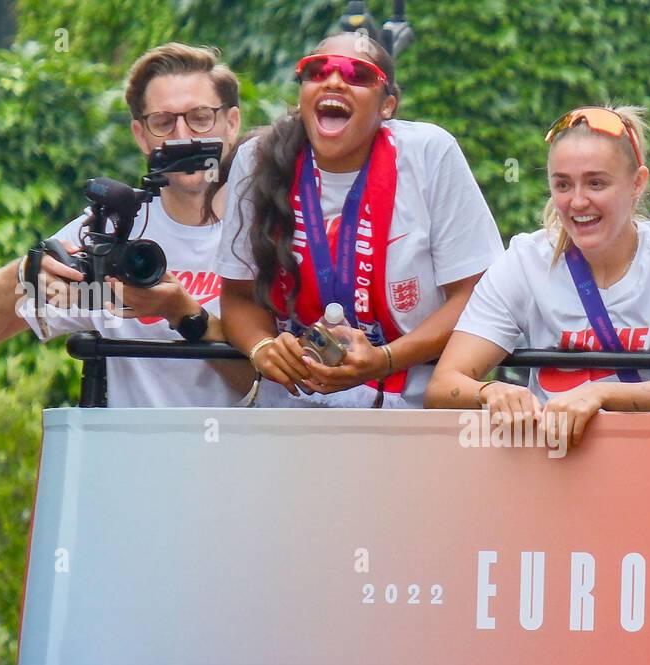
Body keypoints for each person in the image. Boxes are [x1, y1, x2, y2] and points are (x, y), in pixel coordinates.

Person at [0, 43, 253, 407]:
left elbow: (271, 386)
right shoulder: (111, 229)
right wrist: (24, 274)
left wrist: (182, 312)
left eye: (200, 118)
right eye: (163, 122)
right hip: (129, 456)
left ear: (231, 123)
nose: (183, 136)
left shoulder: (265, 225)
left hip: (237, 457)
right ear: (141, 136)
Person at [215, 32, 502, 408]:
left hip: (408, 408)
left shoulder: (429, 153)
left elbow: (476, 294)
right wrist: (263, 347)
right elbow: (237, 296)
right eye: (316, 72)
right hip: (290, 409)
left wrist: (385, 360)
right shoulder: (257, 160)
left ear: (388, 106)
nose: (334, 81)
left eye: (358, 75)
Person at [424, 105, 650, 448]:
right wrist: (493, 391)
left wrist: (598, 394)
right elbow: (443, 385)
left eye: (596, 183)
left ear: (638, 183)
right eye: (562, 185)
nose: (577, 201)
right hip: (556, 473)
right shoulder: (525, 259)